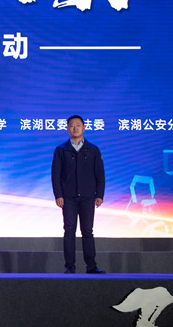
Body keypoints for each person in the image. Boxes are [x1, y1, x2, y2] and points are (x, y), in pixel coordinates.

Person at [52, 115, 106, 274]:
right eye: (71, 125)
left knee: (87, 231)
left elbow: (100, 174)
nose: (75, 128)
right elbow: (55, 175)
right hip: (68, 197)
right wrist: (58, 195)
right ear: (67, 129)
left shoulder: (93, 149)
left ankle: (91, 266)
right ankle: (69, 266)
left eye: (78, 125)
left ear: (84, 128)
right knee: (69, 230)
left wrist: (99, 194)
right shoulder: (61, 150)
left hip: (88, 197)